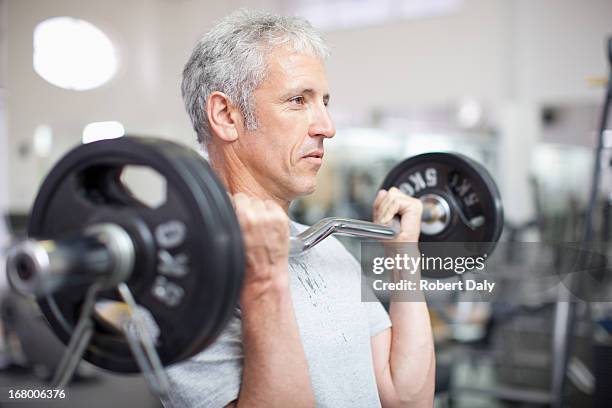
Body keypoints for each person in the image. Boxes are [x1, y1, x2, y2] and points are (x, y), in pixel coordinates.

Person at [165, 9, 435, 408]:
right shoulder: (181, 276)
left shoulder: (326, 244)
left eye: (324, 102)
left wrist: (404, 254)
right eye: (298, 100)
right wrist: (263, 283)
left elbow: (405, 397)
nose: (327, 126)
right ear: (226, 116)